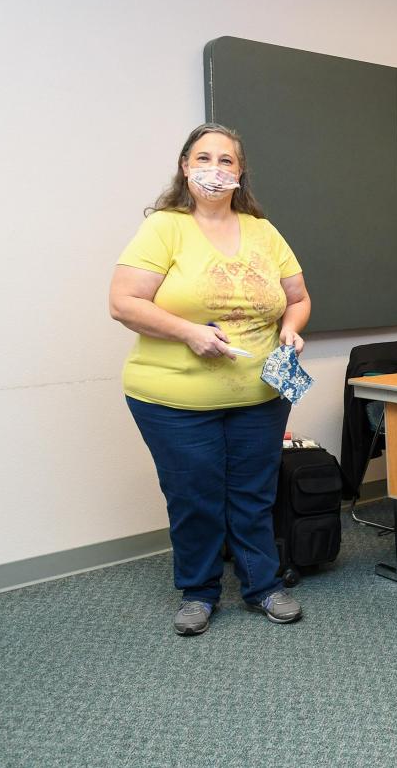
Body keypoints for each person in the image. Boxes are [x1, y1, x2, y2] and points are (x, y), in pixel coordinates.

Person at [109, 123, 311, 635]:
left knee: (253, 494)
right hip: (172, 398)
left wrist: (290, 330)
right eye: (204, 158)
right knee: (195, 497)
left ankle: (262, 586)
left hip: (260, 393)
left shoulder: (264, 231)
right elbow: (123, 302)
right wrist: (188, 333)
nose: (215, 169)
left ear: (241, 172)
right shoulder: (165, 228)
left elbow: (299, 298)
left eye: (226, 161)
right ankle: (198, 592)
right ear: (185, 166)